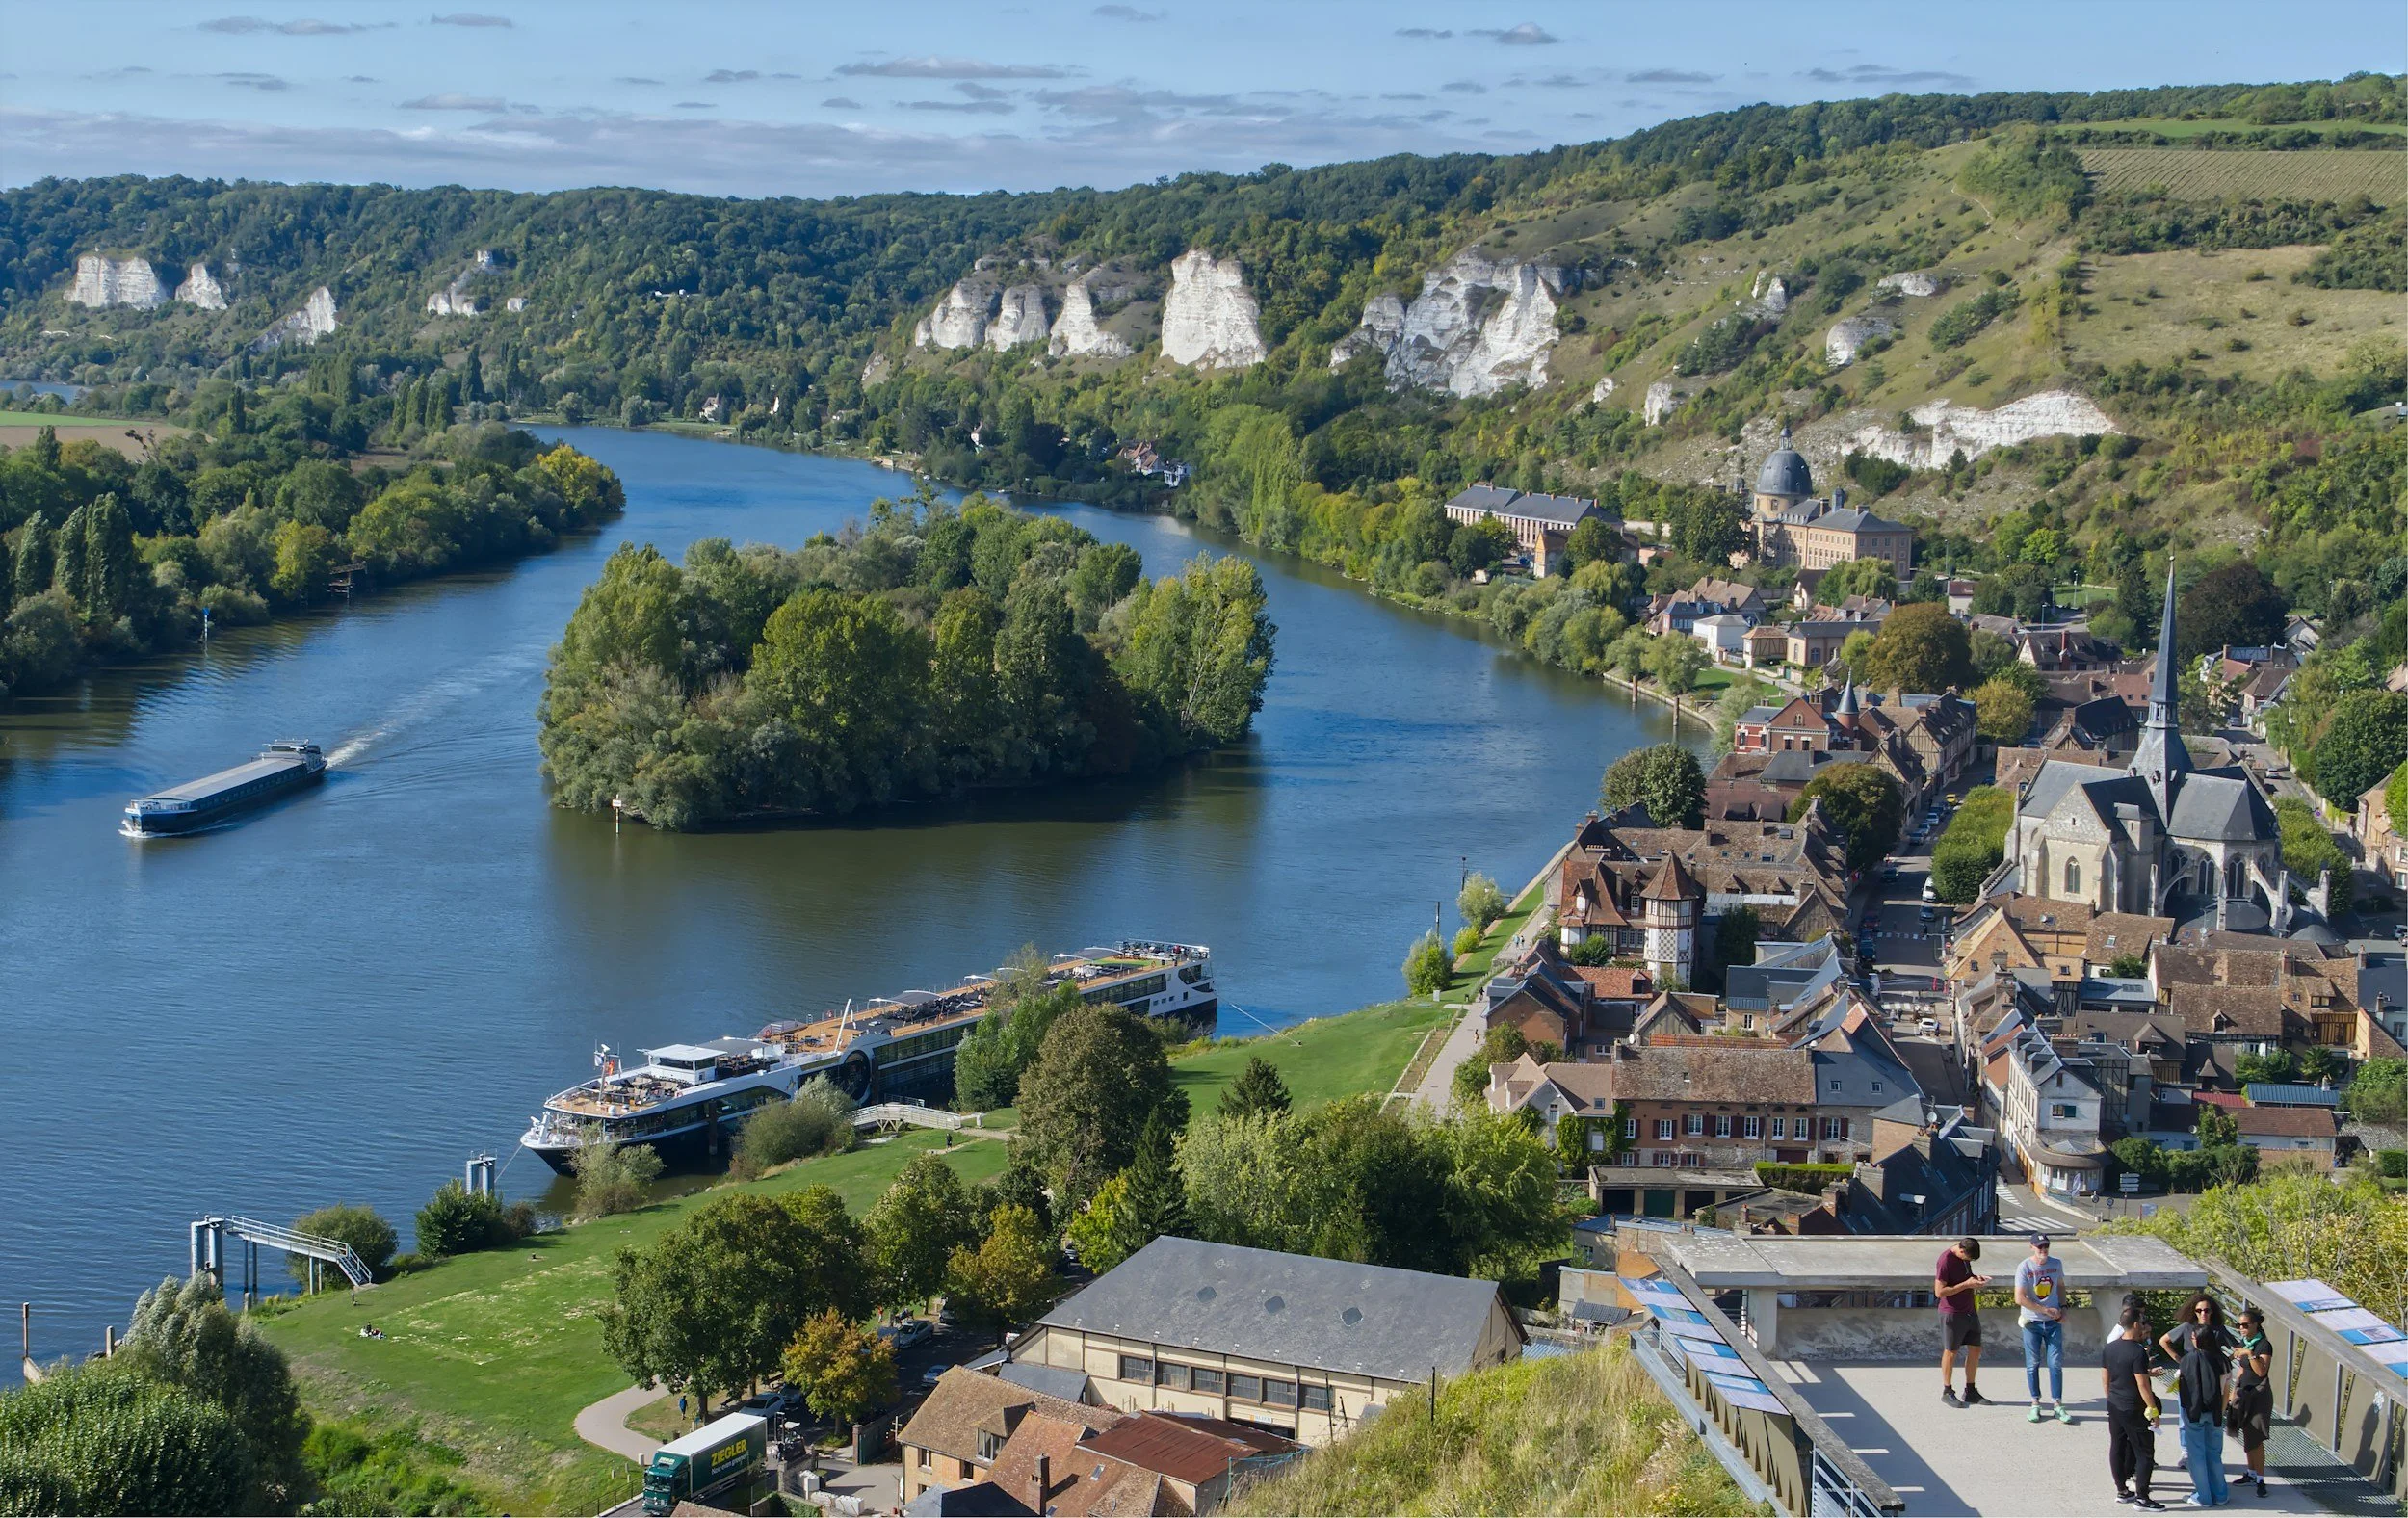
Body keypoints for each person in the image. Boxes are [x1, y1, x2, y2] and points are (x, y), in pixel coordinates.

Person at [2167, 1294, 2232, 1507]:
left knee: (2196, 1456)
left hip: (2193, 1413)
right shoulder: (2223, 1362)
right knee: (2214, 1455)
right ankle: (2221, 1494)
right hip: (2214, 1414)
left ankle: (2203, 1496)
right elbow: (2225, 1391)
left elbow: (2180, 1385)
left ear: (2195, 1339)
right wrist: (2220, 1414)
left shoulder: (2188, 1361)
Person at [2104, 1301, 2165, 1509]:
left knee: (2117, 1446)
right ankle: (2142, 1497)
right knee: (2144, 1451)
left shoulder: (2110, 1347)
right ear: (2136, 1325)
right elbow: (2143, 1385)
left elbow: (2106, 1377)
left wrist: (2110, 1398)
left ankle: (2122, 1490)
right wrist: (2153, 1411)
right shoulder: (2137, 1352)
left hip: (2115, 1404)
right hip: (2134, 1407)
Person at [2016, 1233, 2073, 1423]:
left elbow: (2061, 1286)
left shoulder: (2056, 1264)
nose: (2043, 1250)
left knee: (2055, 1364)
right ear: (2031, 1247)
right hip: (2032, 1322)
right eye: (2039, 1247)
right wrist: (2044, 1310)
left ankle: (2058, 1404)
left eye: (2046, 1246)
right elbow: (2020, 1298)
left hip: (2053, 1322)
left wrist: (2063, 1308)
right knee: (2033, 1364)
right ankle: (2035, 1403)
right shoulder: (2024, 1266)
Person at [1935, 1236, 1992, 1405]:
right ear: (1961, 1251)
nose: (1968, 1261)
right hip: (1952, 1312)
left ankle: (1970, 1390)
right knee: (1951, 1351)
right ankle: (1947, 1391)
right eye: (1968, 1258)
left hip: (1969, 1310)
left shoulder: (1964, 1258)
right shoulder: (1945, 1260)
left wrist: (1976, 1279)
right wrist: (1966, 1284)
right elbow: (1939, 1292)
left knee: (1976, 1349)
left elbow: (1965, 1278)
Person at [2231, 1307, 2274, 1500]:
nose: (2241, 1328)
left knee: (2256, 1438)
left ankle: (2261, 1479)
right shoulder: (2244, 1343)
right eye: (2239, 1325)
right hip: (2244, 1393)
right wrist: (2234, 1390)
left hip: (2259, 1396)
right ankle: (2251, 1472)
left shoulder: (2263, 1345)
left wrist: (2250, 1354)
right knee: (2247, 1435)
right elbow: (2242, 1370)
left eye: (2245, 1325)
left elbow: (2261, 1372)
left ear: (2256, 1325)